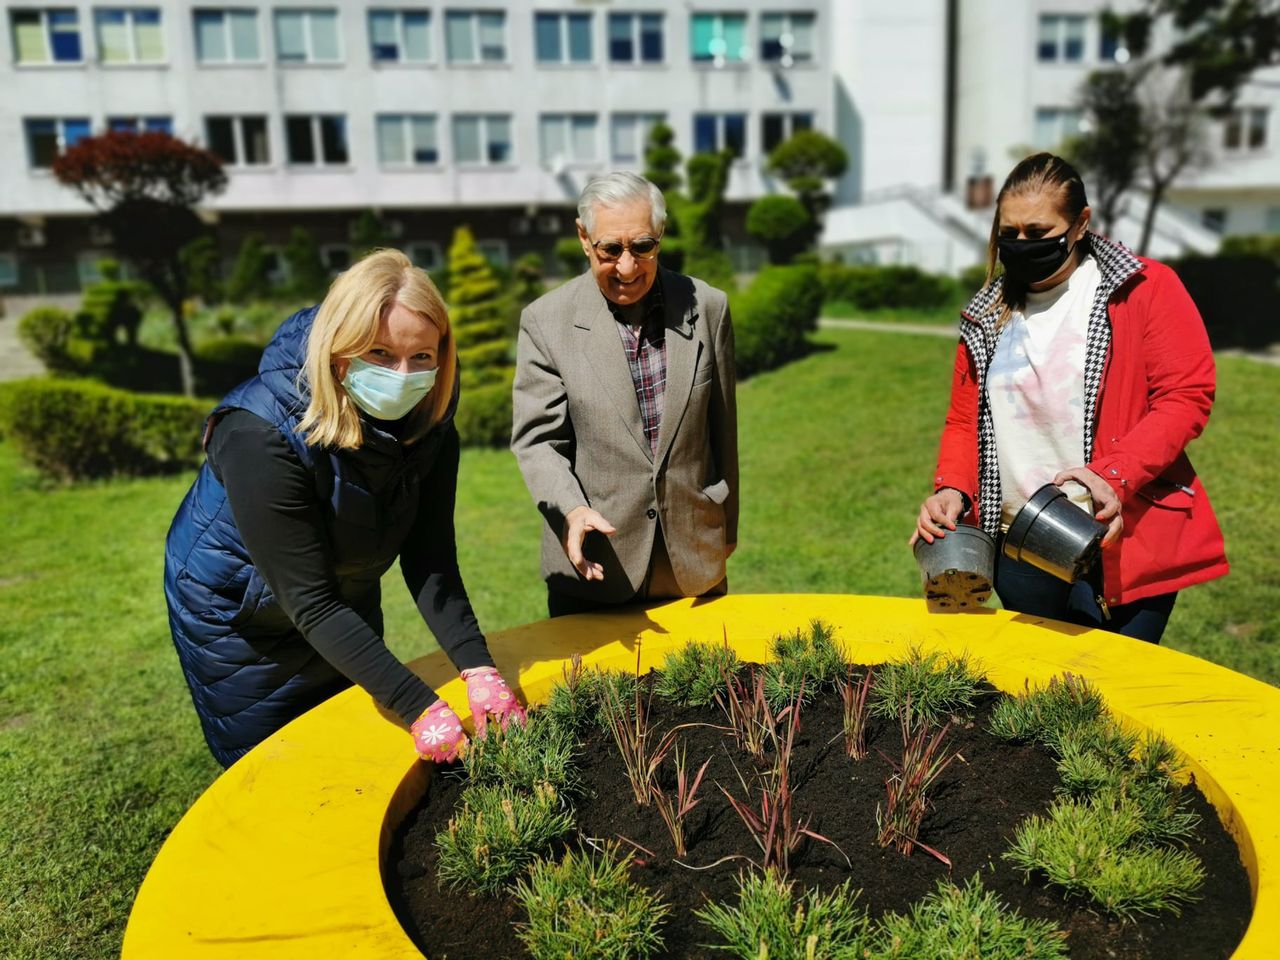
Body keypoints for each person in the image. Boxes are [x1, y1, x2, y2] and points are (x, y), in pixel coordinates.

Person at [164, 249, 524, 768]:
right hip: (241, 617)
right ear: (338, 350)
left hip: (340, 595)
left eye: (422, 357)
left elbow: (430, 559)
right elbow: (308, 600)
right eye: (380, 354)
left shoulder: (429, 426)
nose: (404, 375)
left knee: (355, 751)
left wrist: (478, 668)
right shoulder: (258, 434)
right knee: (278, 765)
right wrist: (419, 705)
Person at [911, 153, 1228, 643]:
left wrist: (1113, 474)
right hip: (1019, 543)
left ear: (1080, 223)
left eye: (1038, 232)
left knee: (1115, 692)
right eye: (1009, 233)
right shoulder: (985, 313)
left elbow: (1185, 396)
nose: (1021, 245)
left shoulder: (1142, 289)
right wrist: (952, 487)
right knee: (1046, 692)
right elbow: (963, 421)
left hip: (1123, 535)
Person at [512, 171, 738, 616]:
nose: (628, 267)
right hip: (596, 566)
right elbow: (539, 443)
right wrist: (572, 511)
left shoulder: (709, 307)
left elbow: (723, 429)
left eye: (643, 247)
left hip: (694, 561)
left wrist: (726, 528)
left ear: (661, 235)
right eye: (610, 250)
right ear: (583, 238)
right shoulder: (546, 321)